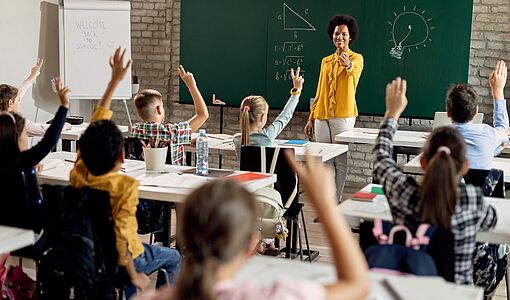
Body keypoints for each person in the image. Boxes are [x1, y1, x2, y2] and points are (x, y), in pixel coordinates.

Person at [134, 152, 369, 300]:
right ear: (250, 244)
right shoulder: (281, 294)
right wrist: (326, 207)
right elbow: (356, 285)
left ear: (184, 233)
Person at [69, 47, 181, 294]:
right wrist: (135, 275)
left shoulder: (78, 174)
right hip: (122, 260)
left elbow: (97, 124)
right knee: (173, 258)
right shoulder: (124, 187)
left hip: (87, 254)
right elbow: (122, 240)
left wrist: (113, 82)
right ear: (122, 157)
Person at [373, 77, 498, 284]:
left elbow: (381, 158)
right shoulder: (472, 200)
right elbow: (490, 220)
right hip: (456, 295)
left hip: (414, 292)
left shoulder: (405, 193)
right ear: (464, 166)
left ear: (422, 162)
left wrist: (392, 114)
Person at [304, 14, 364, 202]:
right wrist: (311, 117)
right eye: (336, 33)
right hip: (322, 114)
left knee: (340, 161)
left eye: (343, 34)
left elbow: (354, 72)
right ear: (332, 35)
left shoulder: (357, 58)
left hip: (343, 116)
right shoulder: (325, 61)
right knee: (325, 160)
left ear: (350, 36)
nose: (339, 37)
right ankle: (327, 203)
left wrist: (348, 65)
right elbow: (320, 90)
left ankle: (336, 200)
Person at [0, 77, 69, 241]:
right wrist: (64, 106)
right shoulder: (22, 162)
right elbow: (49, 140)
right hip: (30, 236)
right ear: (16, 137)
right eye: (25, 133)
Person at [131, 65, 209, 166]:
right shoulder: (173, 132)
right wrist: (191, 86)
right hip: (172, 179)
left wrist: (185, 140)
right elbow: (203, 114)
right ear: (159, 109)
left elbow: (155, 140)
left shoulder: (135, 130)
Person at [446, 60, 508, 170]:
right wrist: (497, 90)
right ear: (476, 111)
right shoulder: (488, 135)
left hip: (449, 187)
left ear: (448, 111)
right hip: (480, 188)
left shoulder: (440, 137)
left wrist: (492, 151)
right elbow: (504, 129)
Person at [232, 67, 304, 159]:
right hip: (266, 174)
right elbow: (285, 116)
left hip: (246, 174)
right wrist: (296, 91)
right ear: (262, 117)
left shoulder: (236, 139)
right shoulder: (266, 137)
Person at [0, 58, 71, 136]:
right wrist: (65, 125)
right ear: (10, 103)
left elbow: (19, 93)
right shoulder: (15, 122)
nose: (20, 103)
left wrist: (32, 76)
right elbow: (45, 130)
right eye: (18, 101)